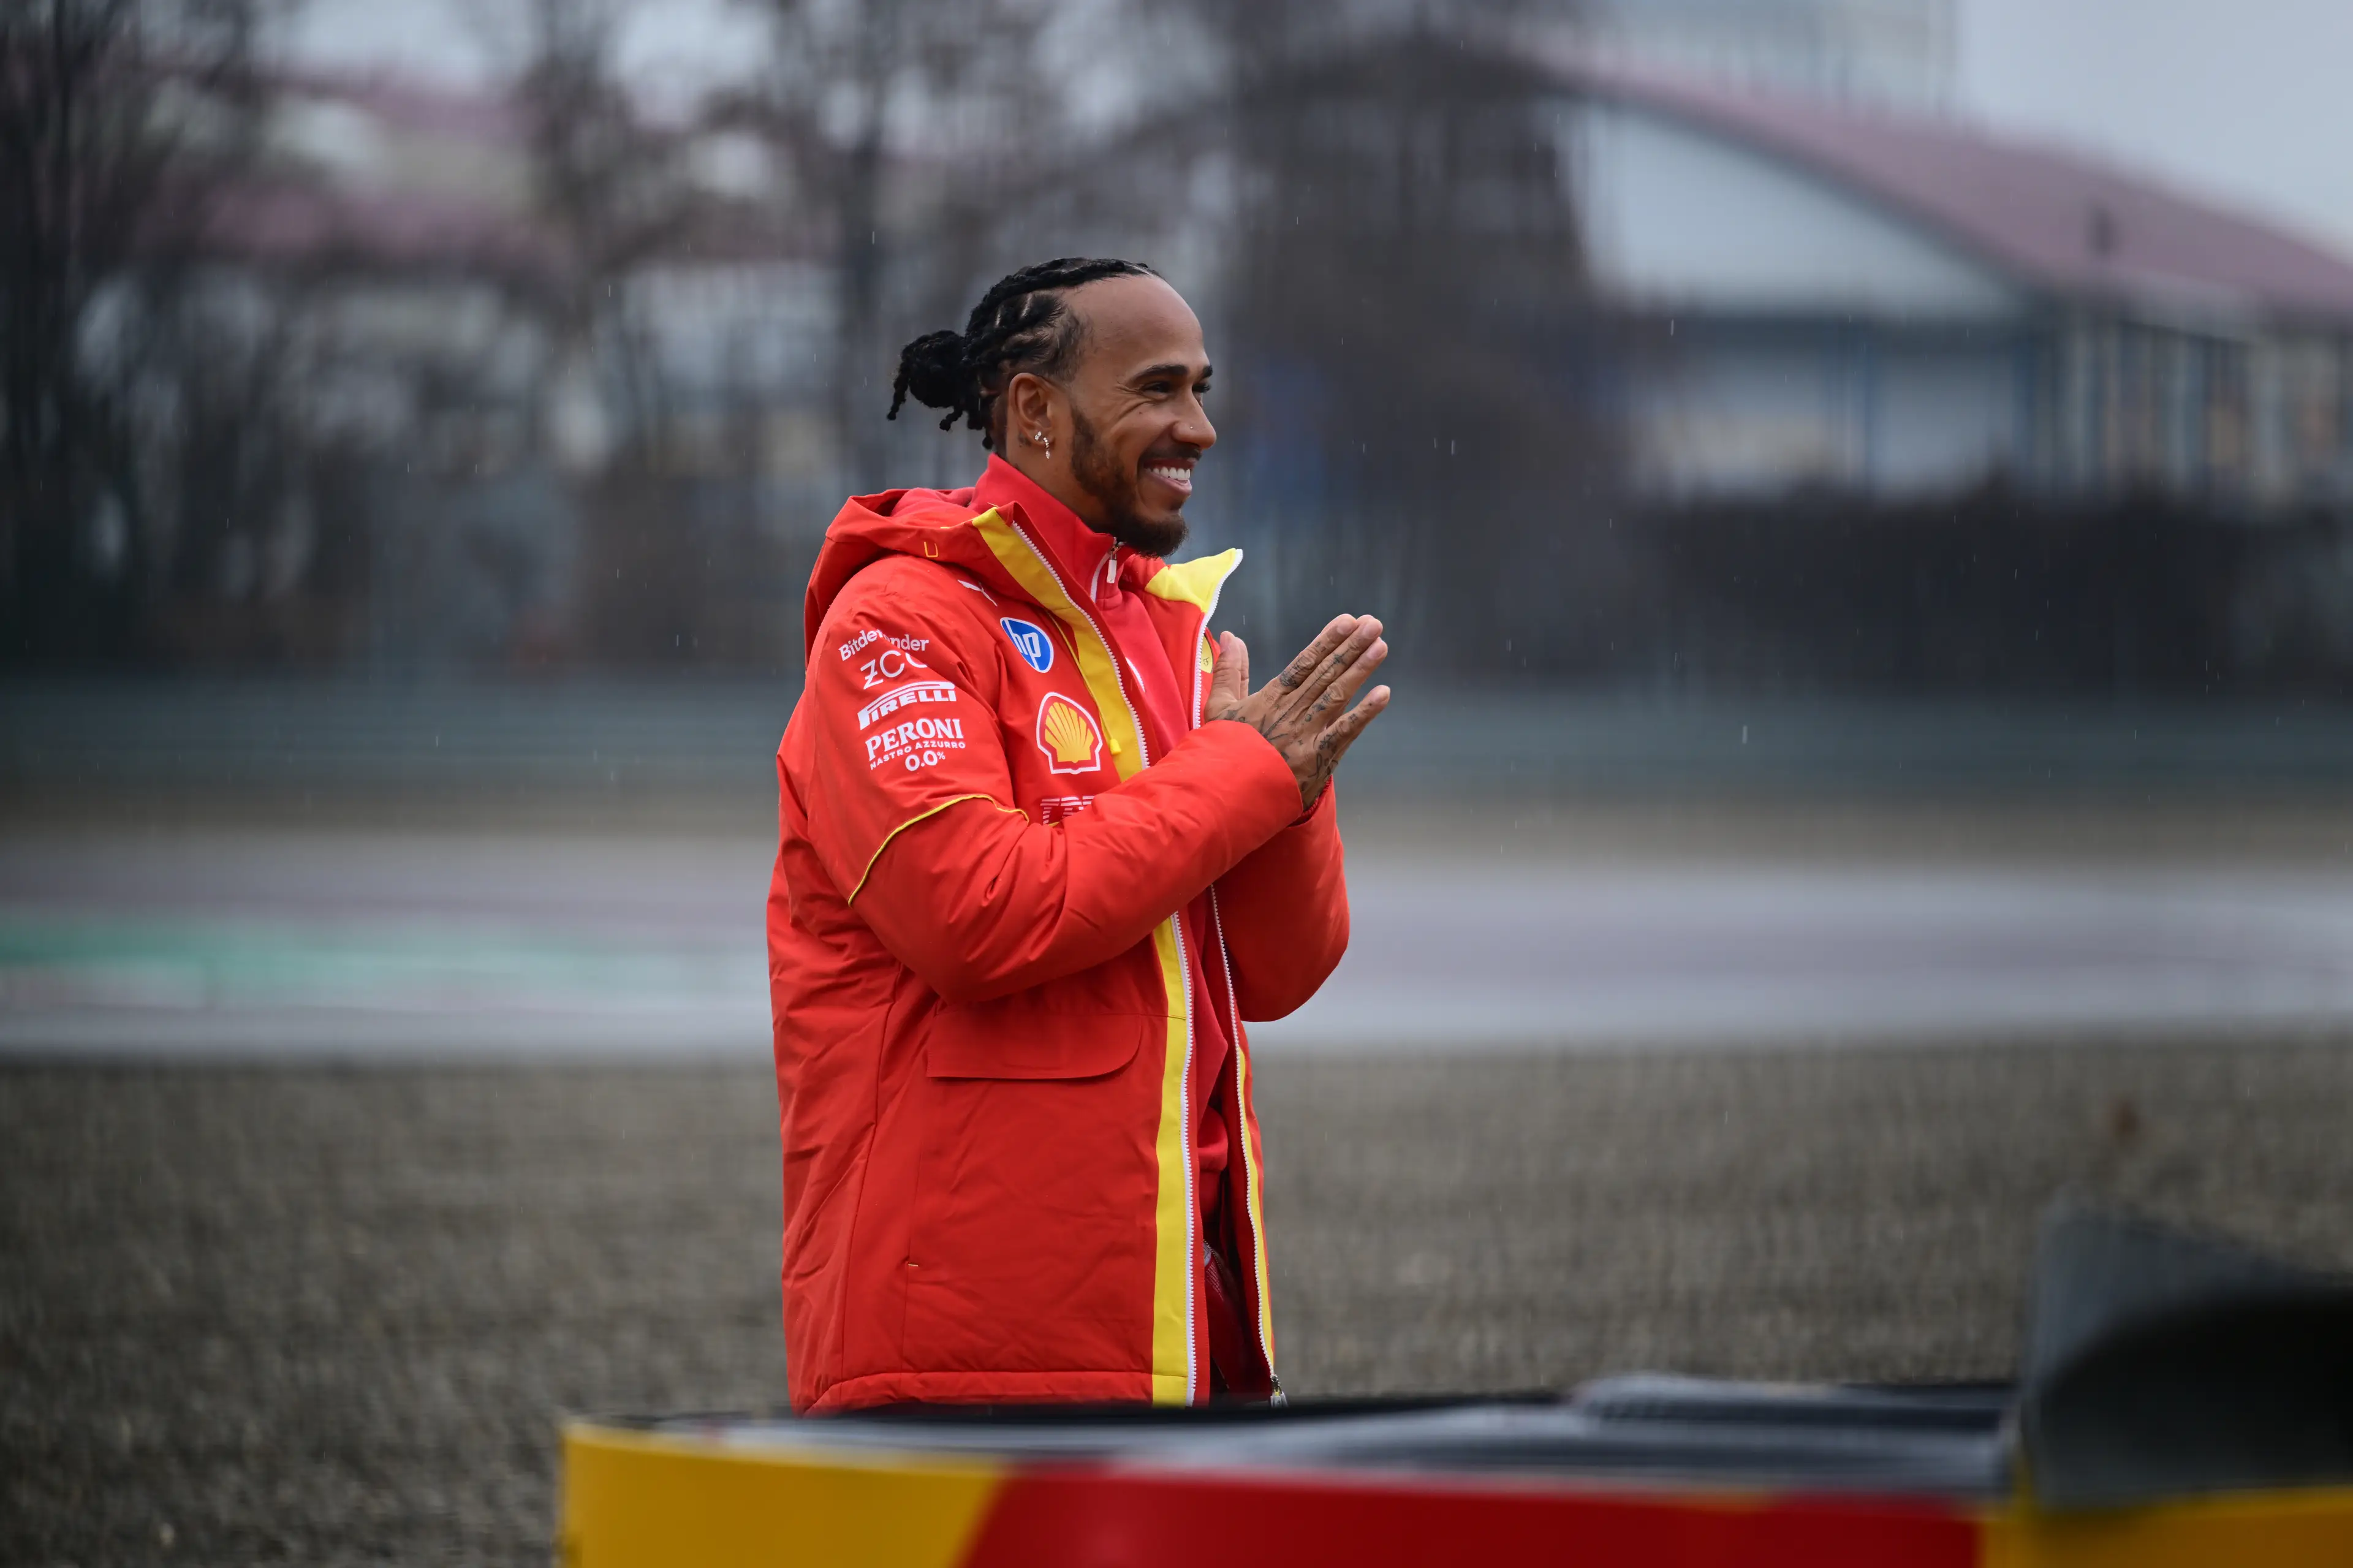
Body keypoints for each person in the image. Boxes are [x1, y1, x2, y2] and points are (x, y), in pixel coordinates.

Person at [765, 257, 1391, 1412]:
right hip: (957, 1353)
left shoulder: (1175, 634)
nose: (1197, 427)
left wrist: (1286, 789)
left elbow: (1279, 971)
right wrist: (1244, 773)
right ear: (1035, 409)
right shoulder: (897, 621)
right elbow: (975, 914)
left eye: (1203, 389)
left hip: (1174, 1333)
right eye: (1158, 390)